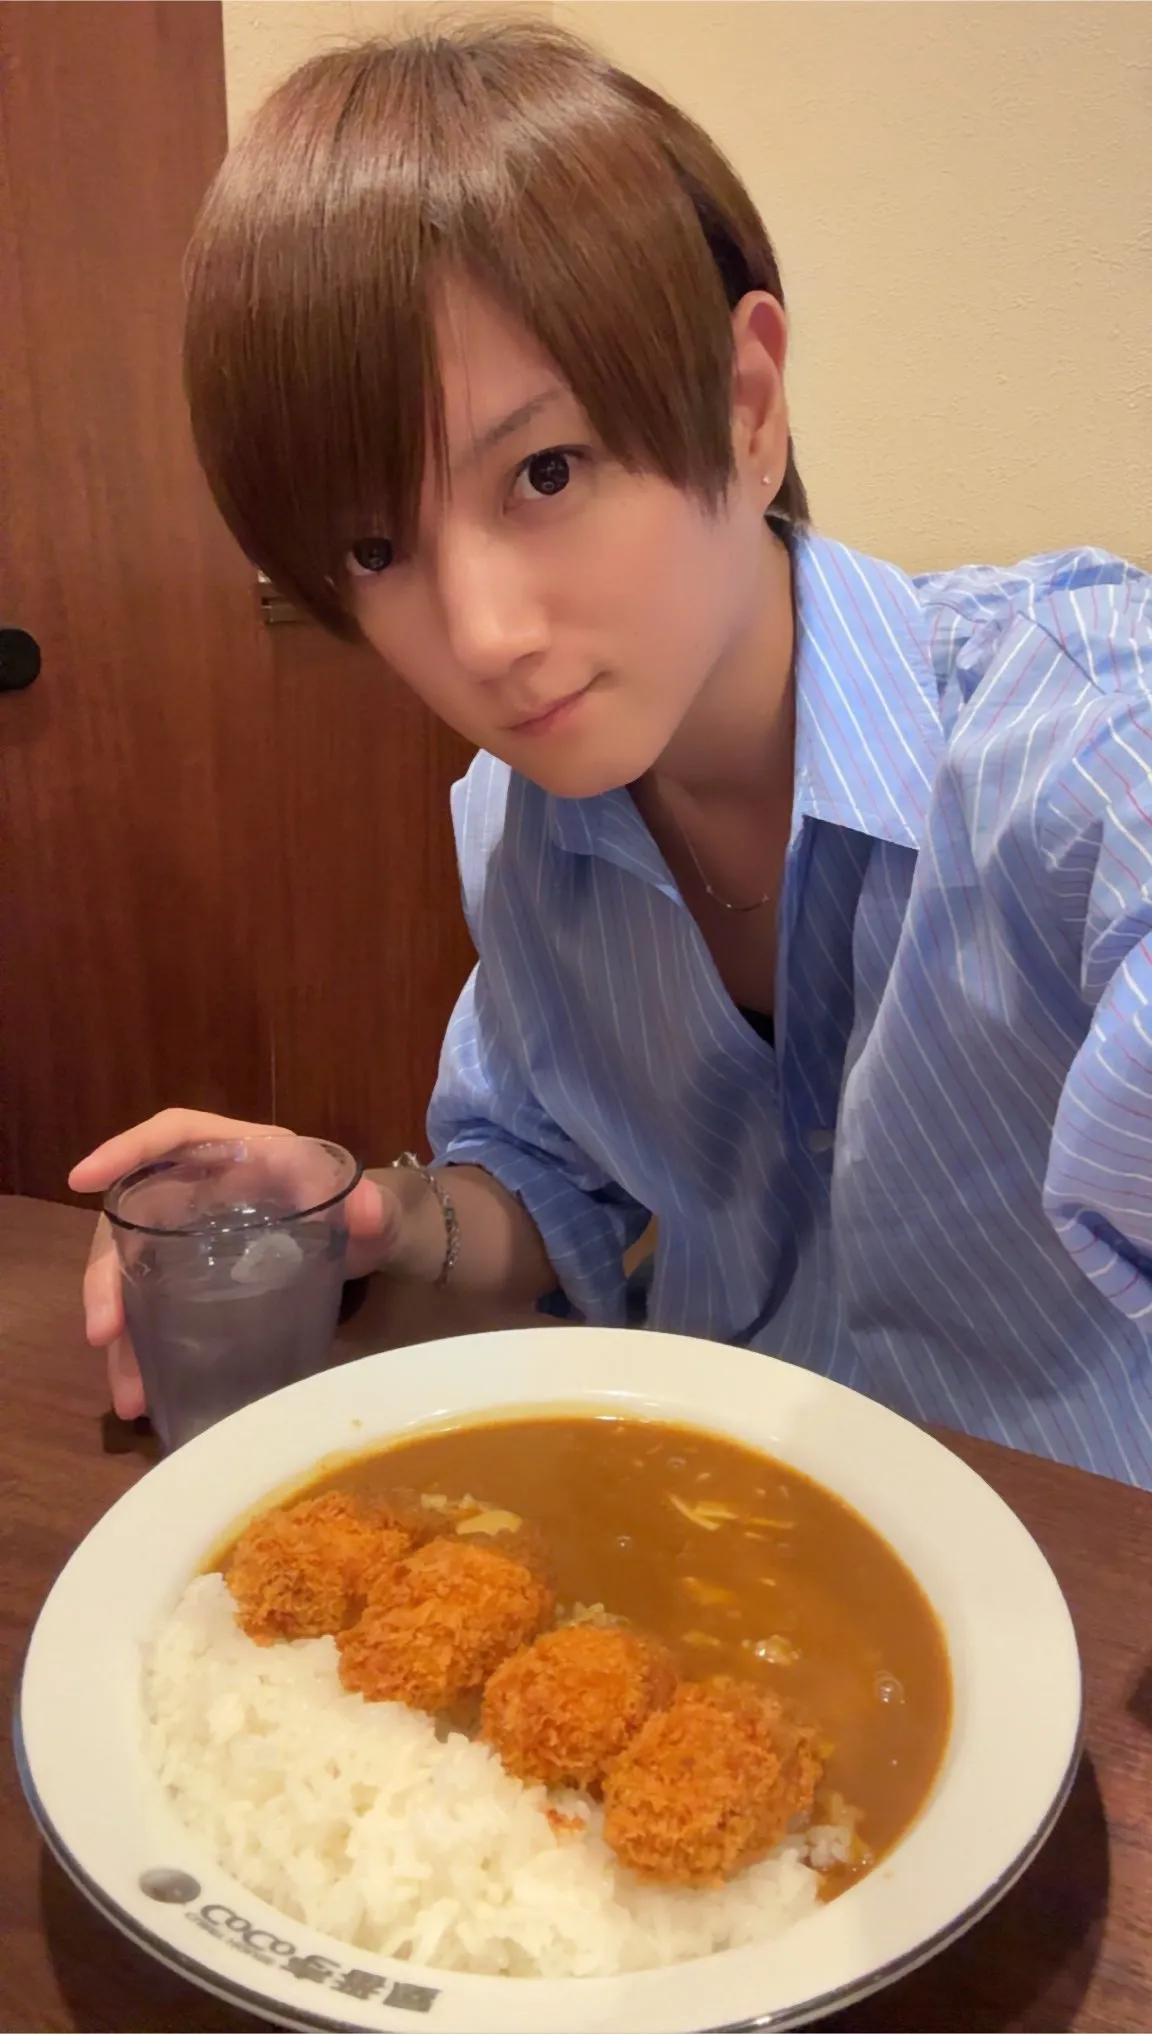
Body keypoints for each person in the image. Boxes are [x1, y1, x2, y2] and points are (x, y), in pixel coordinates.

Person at [72, 22, 1152, 1484]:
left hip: (1077, 1564)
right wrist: (368, 1217)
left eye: (545, 471)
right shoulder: (519, 829)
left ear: (746, 408)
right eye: (376, 548)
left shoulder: (1070, 719)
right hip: (692, 1537)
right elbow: (543, 1189)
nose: (483, 634)